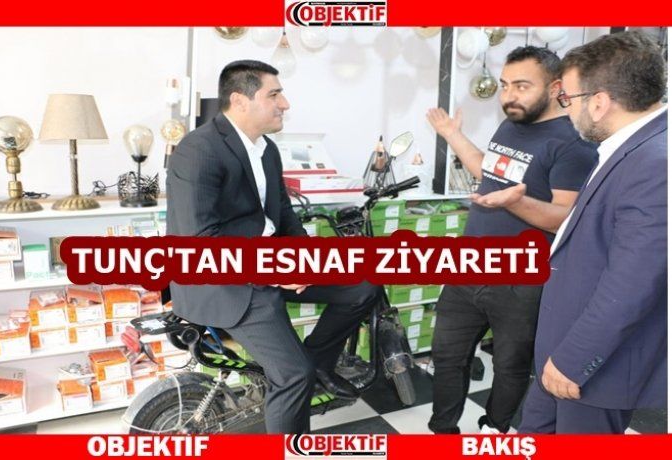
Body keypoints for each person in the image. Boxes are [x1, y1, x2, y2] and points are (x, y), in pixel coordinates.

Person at [166, 60, 381, 433]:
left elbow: (282, 215)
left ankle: (317, 365)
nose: (285, 104)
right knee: (292, 375)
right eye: (275, 94)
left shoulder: (266, 149)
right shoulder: (199, 149)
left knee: (363, 285)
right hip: (224, 284)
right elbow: (201, 243)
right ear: (240, 100)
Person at [426, 46, 598, 434]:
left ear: (555, 88)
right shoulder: (510, 126)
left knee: (510, 365)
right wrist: (453, 135)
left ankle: (495, 429)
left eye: (521, 86)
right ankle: (443, 432)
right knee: (447, 355)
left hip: (521, 281)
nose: (508, 96)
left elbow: (565, 217)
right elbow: (488, 172)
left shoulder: (573, 144)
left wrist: (515, 202)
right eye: (504, 85)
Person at [519, 31, 667, 434]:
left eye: (567, 98)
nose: (565, 109)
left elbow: (634, 284)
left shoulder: (656, 163)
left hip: (592, 369)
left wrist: (574, 360)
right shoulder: (631, 145)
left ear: (599, 103)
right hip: (563, 346)